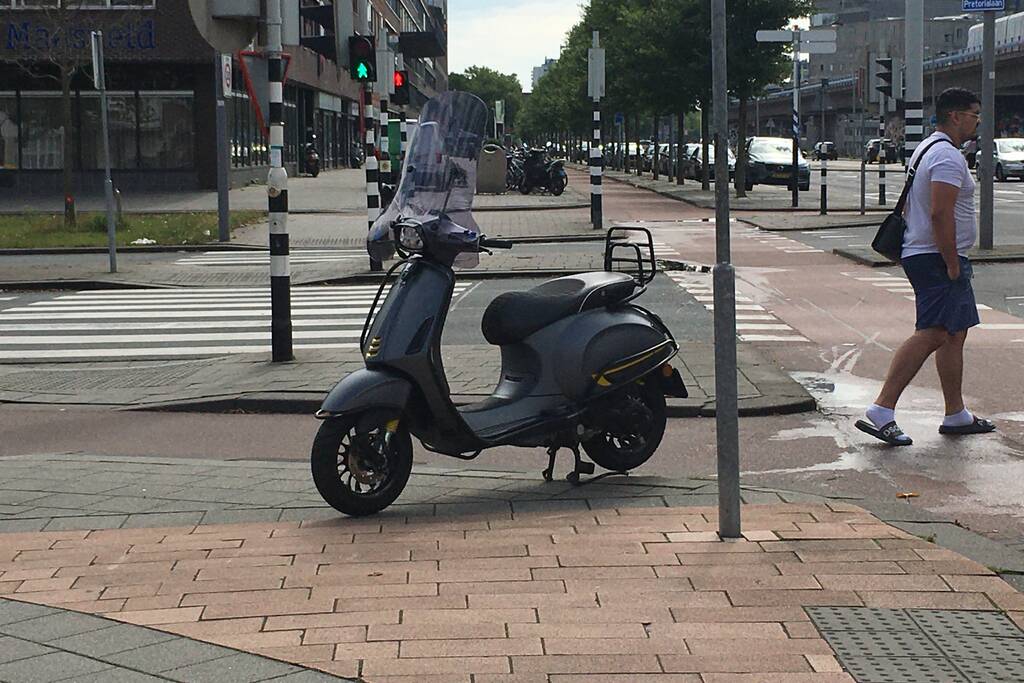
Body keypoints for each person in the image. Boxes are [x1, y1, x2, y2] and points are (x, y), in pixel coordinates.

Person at [856, 88, 996, 446]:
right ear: (955, 116)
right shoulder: (948, 158)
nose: (977, 121)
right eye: (974, 114)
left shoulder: (926, 148)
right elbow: (939, 212)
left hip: (925, 252)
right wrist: (951, 262)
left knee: (954, 331)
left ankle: (955, 412)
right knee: (933, 331)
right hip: (937, 257)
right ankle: (881, 409)